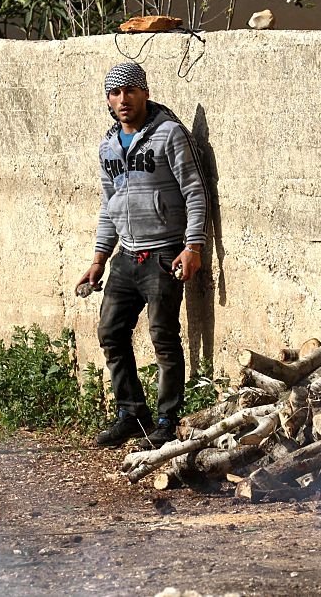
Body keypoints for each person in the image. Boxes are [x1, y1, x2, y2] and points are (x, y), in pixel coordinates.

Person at [77, 62, 209, 449]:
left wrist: (193, 247)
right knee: (111, 332)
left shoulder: (169, 136)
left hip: (165, 252)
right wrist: (99, 258)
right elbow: (109, 204)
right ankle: (132, 412)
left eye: (131, 90)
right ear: (108, 100)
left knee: (163, 337)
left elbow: (195, 192)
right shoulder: (108, 147)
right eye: (115, 93)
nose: (123, 100)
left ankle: (167, 419)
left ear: (145, 92)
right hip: (126, 255)